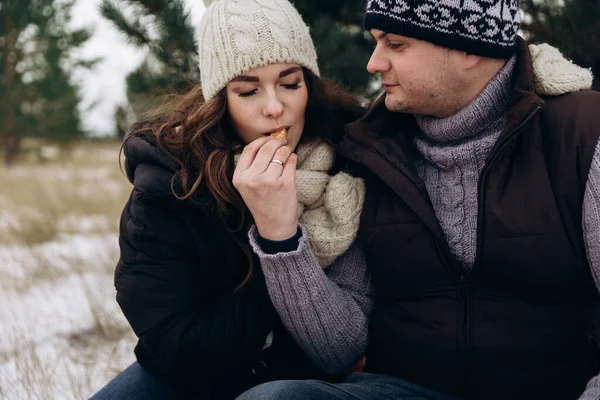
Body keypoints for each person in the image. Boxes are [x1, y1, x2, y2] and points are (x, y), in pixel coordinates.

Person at [237, 0, 600, 399]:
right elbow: (337, 350)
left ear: (469, 48)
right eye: (376, 42)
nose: (374, 63)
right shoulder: (372, 147)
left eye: (396, 44)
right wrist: (279, 237)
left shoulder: (582, 135)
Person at [88, 0, 372, 399]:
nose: (275, 108)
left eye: (291, 84)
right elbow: (173, 341)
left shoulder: (349, 167)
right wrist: (270, 263)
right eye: (247, 90)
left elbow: (339, 348)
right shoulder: (170, 179)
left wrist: (281, 238)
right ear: (221, 100)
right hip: (191, 377)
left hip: (300, 381)